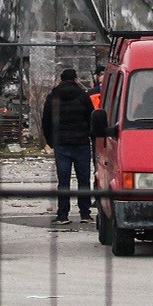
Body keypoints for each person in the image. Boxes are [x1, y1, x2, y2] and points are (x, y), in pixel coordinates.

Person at [42, 68, 96, 225]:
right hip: (81, 143)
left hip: (61, 144)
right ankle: (85, 214)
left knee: (63, 181)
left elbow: (46, 121)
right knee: (83, 180)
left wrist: (52, 141)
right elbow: (91, 117)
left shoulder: (53, 97)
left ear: (61, 79)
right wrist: (90, 137)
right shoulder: (83, 96)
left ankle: (62, 215)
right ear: (75, 79)